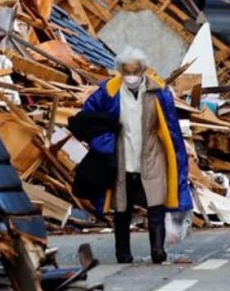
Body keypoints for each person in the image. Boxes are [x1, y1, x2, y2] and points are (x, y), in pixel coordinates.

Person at [80, 46, 193, 264]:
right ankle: (123, 252)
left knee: (156, 203)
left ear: (143, 70)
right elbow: (88, 117)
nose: (131, 76)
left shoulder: (157, 92)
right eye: (126, 71)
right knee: (122, 206)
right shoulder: (109, 91)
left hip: (152, 153)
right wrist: (104, 143)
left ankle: (157, 249)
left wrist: (177, 158)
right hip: (122, 155)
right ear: (120, 71)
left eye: (135, 71)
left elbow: (171, 127)